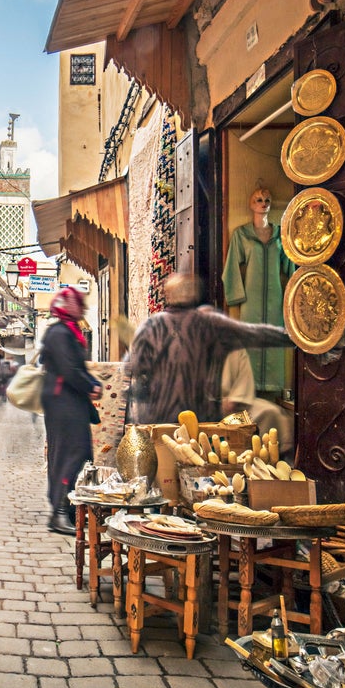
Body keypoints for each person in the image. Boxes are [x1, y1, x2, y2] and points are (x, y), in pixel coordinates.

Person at [127, 273, 293, 425]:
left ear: (167, 295)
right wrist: (292, 337)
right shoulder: (208, 322)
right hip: (199, 418)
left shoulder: (150, 326)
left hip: (158, 417)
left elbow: (132, 368)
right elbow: (254, 334)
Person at [222, 186, 295, 395]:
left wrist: (294, 295)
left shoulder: (281, 235)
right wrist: (235, 296)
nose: (263, 204)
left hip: (275, 298)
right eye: (258, 200)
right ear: (251, 205)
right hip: (251, 300)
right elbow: (231, 269)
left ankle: (273, 387)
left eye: (267, 200)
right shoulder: (242, 235)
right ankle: (249, 386)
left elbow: (291, 268)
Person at [40, 286, 101, 535]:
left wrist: (91, 384)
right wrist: (90, 385)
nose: (83, 307)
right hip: (62, 401)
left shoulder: (67, 331)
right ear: (67, 306)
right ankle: (60, 512)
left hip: (68, 400)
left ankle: (68, 508)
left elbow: (75, 366)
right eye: (78, 303)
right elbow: (68, 368)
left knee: (78, 451)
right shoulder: (60, 333)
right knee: (71, 452)